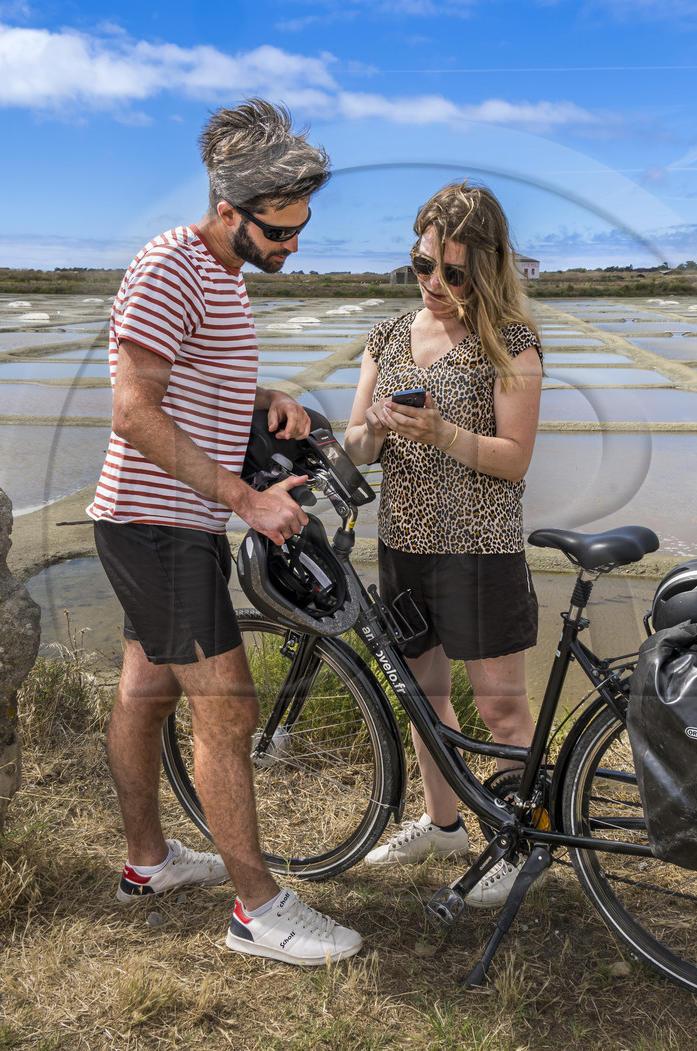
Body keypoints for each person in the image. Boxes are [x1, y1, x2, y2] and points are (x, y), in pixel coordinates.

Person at [88, 99, 362, 965]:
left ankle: (149, 863)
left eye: (301, 228)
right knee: (230, 710)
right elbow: (134, 411)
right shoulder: (167, 267)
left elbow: (190, 380)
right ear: (228, 209)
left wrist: (263, 398)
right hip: (156, 522)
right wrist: (248, 500)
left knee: (145, 691)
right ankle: (259, 908)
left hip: (171, 522)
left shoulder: (224, 278)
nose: (292, 246)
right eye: (280, 231)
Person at [340, 181, 544, 907]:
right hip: (404, 544)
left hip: (479, 549)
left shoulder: (511, 341)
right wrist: (371, 435)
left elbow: (515, 456)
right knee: (423, 695)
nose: (434, 284)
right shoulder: (389, 336)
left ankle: (522, 844)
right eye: (422, 266)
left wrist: (444, 434)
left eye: (453, 273)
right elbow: (360, 440)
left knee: (501, 709)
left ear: (485, 269)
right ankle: (445, 823)